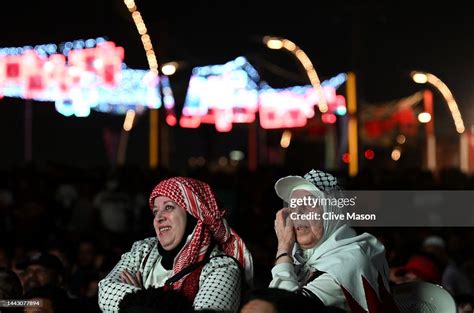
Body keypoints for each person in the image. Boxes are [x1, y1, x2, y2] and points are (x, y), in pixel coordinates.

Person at [98, 177, 253, 312]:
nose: (158, 217)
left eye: (169, 207)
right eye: (156, 211)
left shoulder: (222, 267)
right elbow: (105, 292)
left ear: (194, 213)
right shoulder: (143, 251)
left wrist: (140, 296)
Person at [270, 169, 399, 312]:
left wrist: (283, 250)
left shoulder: (349, 261)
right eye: (293, 205)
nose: (298, 212)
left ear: (332, 212)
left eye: (308, 203)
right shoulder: (299, 257)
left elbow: (285, 309)